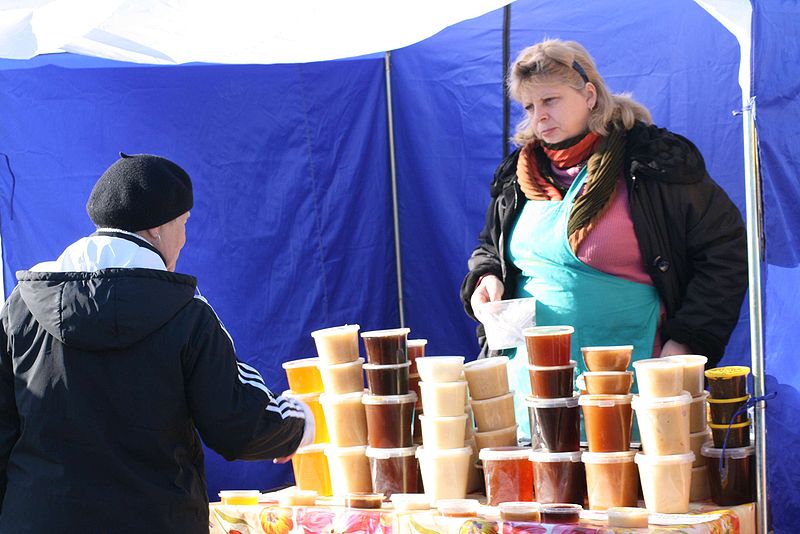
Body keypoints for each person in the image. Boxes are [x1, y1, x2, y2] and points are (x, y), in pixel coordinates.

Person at [0, 154, 314, 532]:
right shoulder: (187, 313)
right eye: (184, 223)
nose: (185, 238)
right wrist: (298, 422)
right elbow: (237, 422)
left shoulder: (21, 305)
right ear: (156, 229)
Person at [460, 39, 747, 431]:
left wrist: (687, 341)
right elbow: (489, 246)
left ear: (589, 95)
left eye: (551, 100)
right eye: (529, 107)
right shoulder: (518, 174)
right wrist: (487, 275)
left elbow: (725, 249)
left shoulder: (651, 163)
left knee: (620, 484)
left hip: (628, 380)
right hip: (528, 382)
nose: (539, 117)